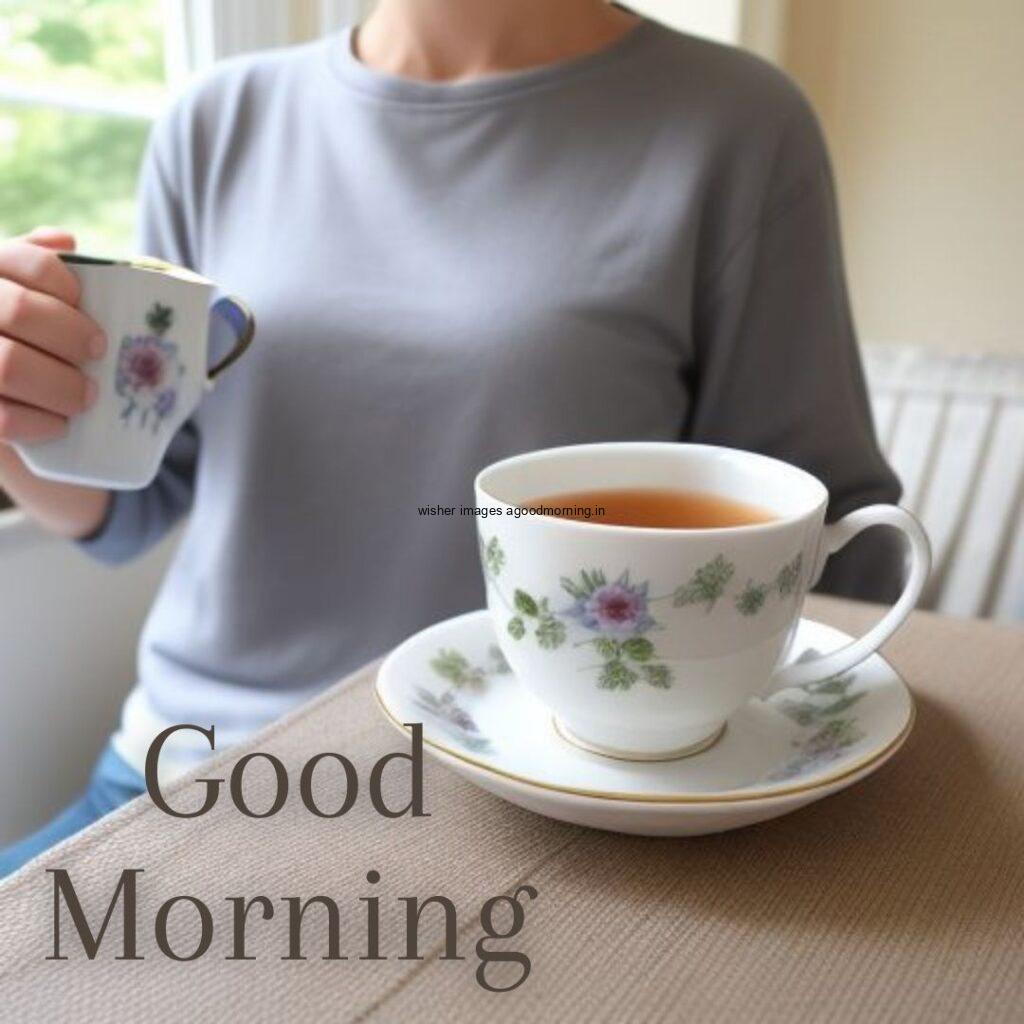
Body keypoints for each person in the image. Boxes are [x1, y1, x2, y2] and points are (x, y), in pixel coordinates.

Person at [0, 0, 901, 875]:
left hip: (535, 803)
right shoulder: (216, 119)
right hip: (186, 766)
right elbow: (140, 500)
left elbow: (827, 541)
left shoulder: (737, 124)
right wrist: (17, 415)